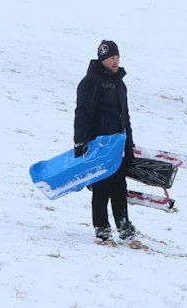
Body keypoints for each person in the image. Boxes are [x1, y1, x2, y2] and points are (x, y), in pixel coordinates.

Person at [74, 39, 136, 242]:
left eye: (117, 57)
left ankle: (124, 226)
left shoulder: (120, 83)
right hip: (98, 144)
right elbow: (82, 114)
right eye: (111, 58)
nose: (115, 61)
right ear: (102, 59)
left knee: (119, 186)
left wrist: (129, 143)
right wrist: (80, 142)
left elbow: (124, 116)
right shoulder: (90, 82)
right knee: (102, 186)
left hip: (117, 144)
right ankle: (102, 228)